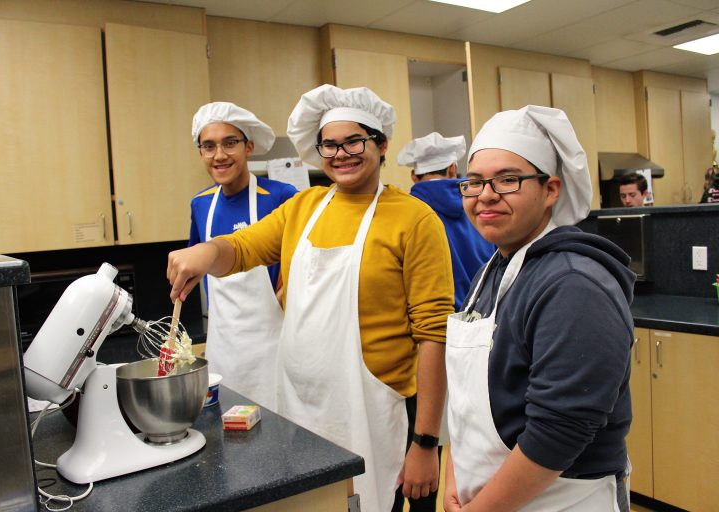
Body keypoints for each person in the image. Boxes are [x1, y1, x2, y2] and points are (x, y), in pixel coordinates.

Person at [168, 84, 453, 512]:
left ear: (381, 144)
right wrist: (204, 252)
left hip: (374, 411)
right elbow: (242, 247)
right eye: (329, 144)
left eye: (354, 140)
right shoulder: (304, 207)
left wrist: (426, 443)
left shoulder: (414, 218)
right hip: (302, 410)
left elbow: (434, 334)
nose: (341, 154)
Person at [444, 105, 635, 512]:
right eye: (474, 182)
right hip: (491, 497)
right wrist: (455, 477)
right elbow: (465, 399)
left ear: (550, 189)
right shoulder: (492, 271)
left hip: (561, 500)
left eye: (508, 179)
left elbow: (559, 431)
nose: (486, 195)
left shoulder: (574, 284)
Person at [188, 102, 297, 409]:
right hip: (223, 346)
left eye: (229, 143)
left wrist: (284, 296)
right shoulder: (200, 205)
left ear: (249, 147)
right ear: (201, 153)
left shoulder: (280, 196)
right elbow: (197, 265)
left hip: (273, 346)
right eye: (208, 146)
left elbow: (304, 263)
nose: (219, 155)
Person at [398, 132, 495, 311]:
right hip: (488, 317)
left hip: (436, 325)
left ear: (413, 175)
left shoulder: (404, 213)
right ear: (452, 169)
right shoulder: (484, 206)